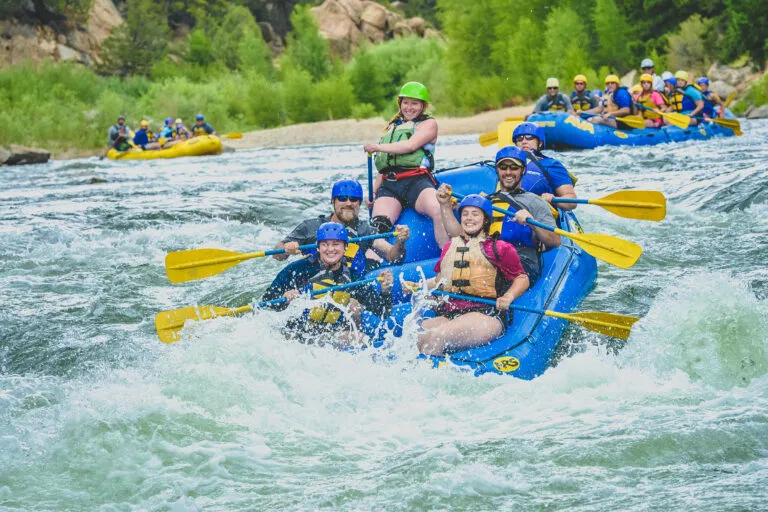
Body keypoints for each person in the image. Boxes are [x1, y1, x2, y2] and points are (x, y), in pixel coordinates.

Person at [416, 194, 530, 356]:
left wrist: (508, 297)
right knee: (416, 336)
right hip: (450, 314)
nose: (469, 218)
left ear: (485, 220)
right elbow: (440, 280)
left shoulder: (500, 248)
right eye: (465, 214)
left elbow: (522, 278)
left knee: (436, 337)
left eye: (475, 214)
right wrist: (419, 287)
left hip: (485, 314)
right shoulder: (450, 247)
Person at [437, 146, 561, 285]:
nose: (508, 172)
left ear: (523, 170)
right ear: (497, 170)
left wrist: (532, 223)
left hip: (521, 263)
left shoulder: (535, 202)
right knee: (450, 271)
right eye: (503, 167)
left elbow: (555, 241)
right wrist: (445, 206)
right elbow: (461, 236)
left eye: (514, 167)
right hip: (486, 258)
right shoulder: (485, 201)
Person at [263, 222, 394, 347]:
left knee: (361, 339)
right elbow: (268, 300)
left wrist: (386, 291)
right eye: (325, 244)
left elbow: (383, 311)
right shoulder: (299, 269)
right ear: (318, 247)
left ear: (345, 247)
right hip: (294, 334)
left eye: (336, 244)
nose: (330, 249)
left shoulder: (352, 278)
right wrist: (286, 297)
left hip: (326, 335)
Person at [363, 82, 448, 248]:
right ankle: (376, 264)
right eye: (406, 102)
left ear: (423, 106)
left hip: (417, 182)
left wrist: (377, 146)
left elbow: (410, 146)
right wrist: (374, 191)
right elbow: (386, 165)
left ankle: (448, 257)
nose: (409, 107)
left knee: (438, 210)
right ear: (400, 103)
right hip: (390, 185)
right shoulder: (393, 126)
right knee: (377, 227)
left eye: (414, 103)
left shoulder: (429, 124)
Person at [273, 179, 410, 274]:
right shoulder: (310, 227)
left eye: (354, 199)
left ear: (360, 203)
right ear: (333, 201)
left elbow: (393, 257)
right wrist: (286, 249)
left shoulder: (365, 230)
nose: (348, 203)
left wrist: (399, 242)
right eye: (343, 198)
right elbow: (277, 254)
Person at [511, 122, 577, 210]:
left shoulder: (551, 165)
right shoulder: (504, 166)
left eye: (529, 137)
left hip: (538, 215)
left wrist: (553, 199)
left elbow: (571, 200)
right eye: (519, 139)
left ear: (540, 143)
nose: (524, 141)